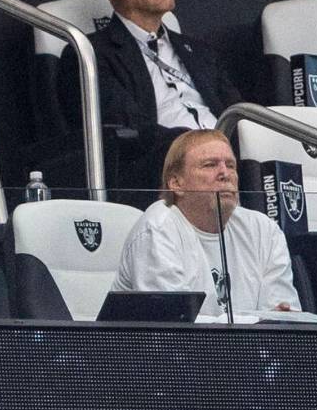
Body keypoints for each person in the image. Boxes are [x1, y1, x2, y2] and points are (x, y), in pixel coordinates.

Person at [56, 0, 242, 191]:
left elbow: (239, 112)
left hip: (231, 159)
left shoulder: (199, 52)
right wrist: (197, 145)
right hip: (164, 168)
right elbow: (130, 130)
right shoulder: (89, 54)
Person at [113, 129, 301, 316]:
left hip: (245, 345)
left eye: (231, 165)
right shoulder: (157, 228)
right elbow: (174, 328)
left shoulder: (264, 231)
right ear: (176, 183)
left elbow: (283, 320)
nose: (225, 174)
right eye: (210, 165)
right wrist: (256, 325)